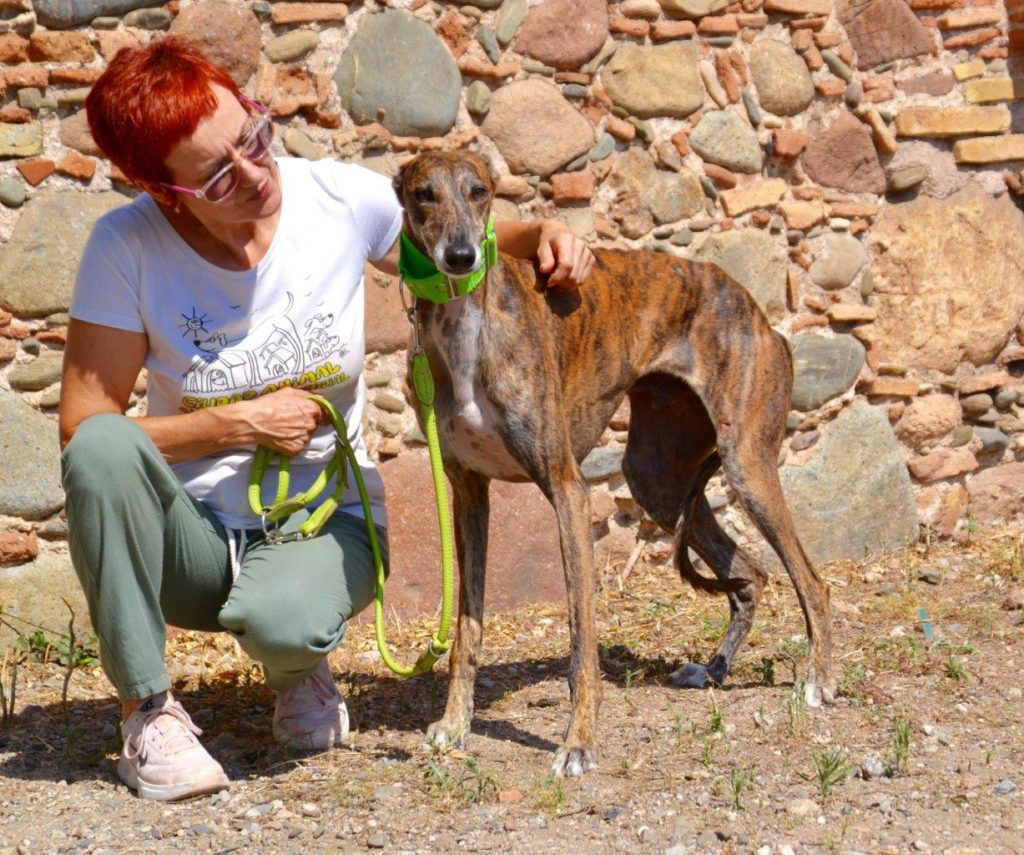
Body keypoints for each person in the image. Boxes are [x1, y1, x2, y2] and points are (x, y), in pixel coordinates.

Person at [59, 37, 595, 802]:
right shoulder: (126, 248)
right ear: (163, 191)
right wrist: (237, 424)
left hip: (321, 523)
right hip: (197, 539)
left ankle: (298, 666)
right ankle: (148, 712)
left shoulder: (339, 197)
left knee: (283, 622)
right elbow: (85, 432)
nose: (255, 173)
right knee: (103, 450)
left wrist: (540, 235)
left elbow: (451, 240)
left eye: (252, 135)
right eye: (216, 175)